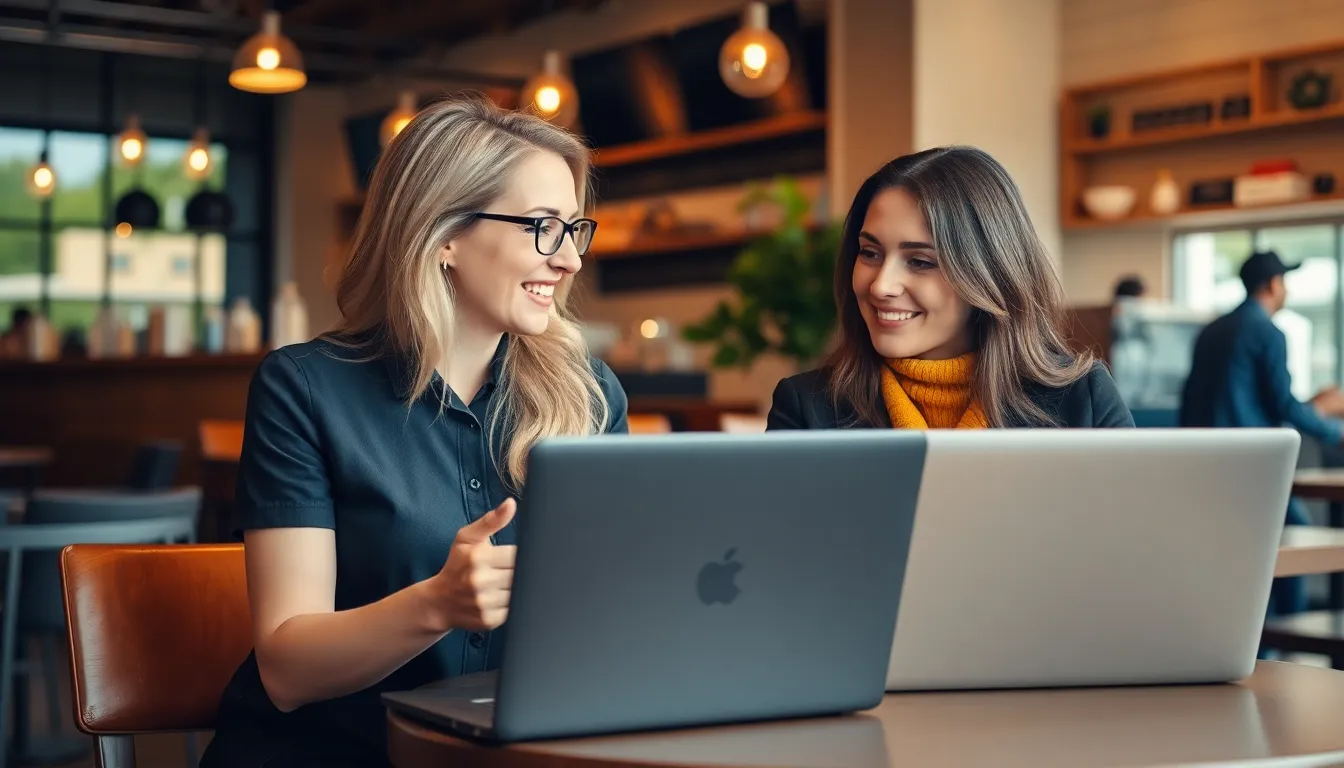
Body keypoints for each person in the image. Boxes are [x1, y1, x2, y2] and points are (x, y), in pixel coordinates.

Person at [200, 97, 629, 768]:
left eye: (576, 229)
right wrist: (437, 603)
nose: (570, 259)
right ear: (444, 234)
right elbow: (286, 668)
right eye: (544, 228)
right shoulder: (304, 390)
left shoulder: (590, 396)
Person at [767, 146, 1133, 431]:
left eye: (921, 261)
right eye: (870, 253)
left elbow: (1140, 528)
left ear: (989, 274)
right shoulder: (806, 408)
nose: (881, 285)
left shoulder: (1083, 400)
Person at [1179, 250, 1344, 616]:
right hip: (1252, 470)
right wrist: (1335, 431)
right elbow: (1282, 406)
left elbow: (1196, 399)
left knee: (1235, 558)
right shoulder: (1268, 332)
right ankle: (1283, 638)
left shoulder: (1211, 331)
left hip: (1206, 469)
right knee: (1297, 543)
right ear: (1272, 284)